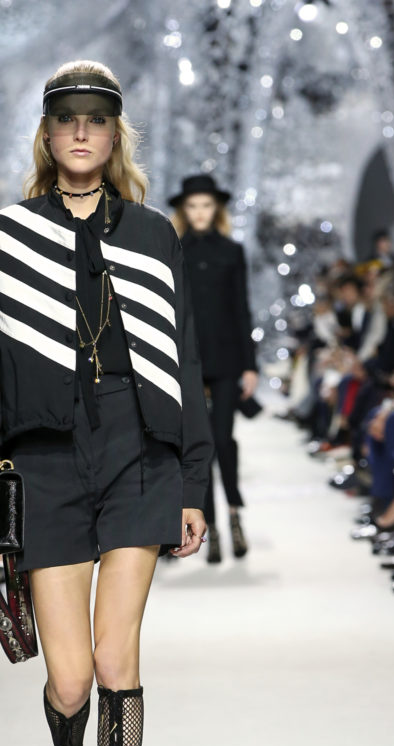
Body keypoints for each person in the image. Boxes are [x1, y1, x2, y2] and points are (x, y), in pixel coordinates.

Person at [0, 60, 212, 746]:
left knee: (113, 660)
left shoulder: (152, 234)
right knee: (67, 681)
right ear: (47, 131)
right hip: (46, 461)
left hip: (138, 452)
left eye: (95, 119)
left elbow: (182, 358)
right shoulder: (5, 237)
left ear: (113, 134)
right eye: (66, 118)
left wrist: (194, 480)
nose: (80, 131)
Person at [169, 173, 258, 563]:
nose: (200, 212)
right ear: (184, 210)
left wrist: (250, 366)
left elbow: (241, 309)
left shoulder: (232, 251)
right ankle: (212, 527)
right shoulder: (173, 250)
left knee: (222, 439)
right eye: (193, 206)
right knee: (198, 446)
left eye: (206, 205)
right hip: (187, 360)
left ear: (216, 209)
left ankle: (234, 513)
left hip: (225, 360)